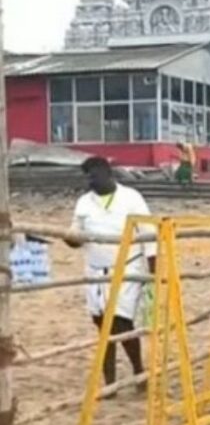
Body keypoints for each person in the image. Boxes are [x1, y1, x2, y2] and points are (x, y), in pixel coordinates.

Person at [65, 156, 154, 392]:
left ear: (108, 174)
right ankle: (110, 382)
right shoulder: (84, 202)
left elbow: (148, 232)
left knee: (121, 321)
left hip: (126, 267)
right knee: (101, 323)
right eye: (87, 177)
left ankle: (138, 371)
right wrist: (71, 239)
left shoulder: (131, 198)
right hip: (95, 270)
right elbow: (75, 231)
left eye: (94, 176)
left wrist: (153, 267)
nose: (90, 181)